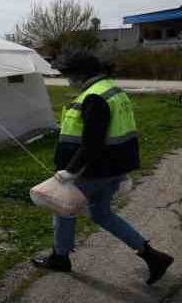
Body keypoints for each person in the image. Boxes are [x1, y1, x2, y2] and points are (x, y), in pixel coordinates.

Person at [31, 49, 174, 285]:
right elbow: (122, 132)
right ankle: (153, 256)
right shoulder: (112, 90)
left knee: (63, 209)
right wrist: (122, 172)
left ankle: (60, 258)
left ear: (81, 74)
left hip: (91, 170)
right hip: (111, 168)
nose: (68, 80)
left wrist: (71, 170)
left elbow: (92, 142)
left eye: (69, 75)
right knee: (101, 214)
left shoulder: (94, 97)